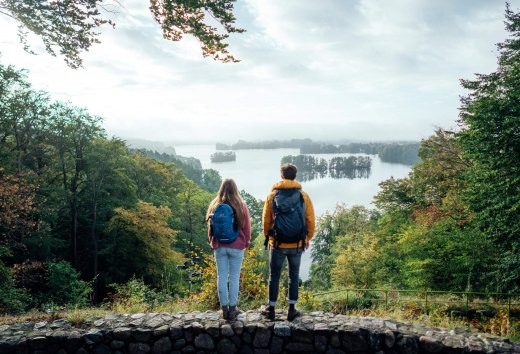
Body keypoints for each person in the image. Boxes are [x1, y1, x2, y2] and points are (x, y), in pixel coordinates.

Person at [261, 163, 315, 321]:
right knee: (294, 275)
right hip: (297, 244)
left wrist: (270, 237)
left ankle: (271, 309)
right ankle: (292, 310)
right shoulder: (303, 196)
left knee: (274, 276)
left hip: (277, 244)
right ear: (295, 176)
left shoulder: (272, 196)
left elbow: (265, 221)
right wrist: (307, 238)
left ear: (282, 176)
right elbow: (310, 220)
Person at [206, 178, 251, 320]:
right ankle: (233, 309)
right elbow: (246, 227)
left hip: (219, 246)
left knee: (222, 277)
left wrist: (212, 241)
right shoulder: (241, 204)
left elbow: (210, 227)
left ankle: (224, 310)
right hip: (236, 246)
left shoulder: (215, 204)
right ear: (235, 189)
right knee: (234, 278)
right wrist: (246, 241)